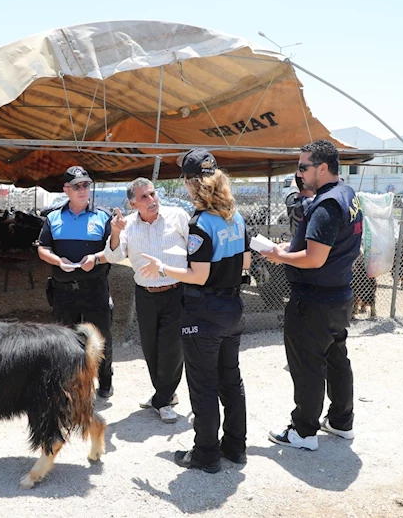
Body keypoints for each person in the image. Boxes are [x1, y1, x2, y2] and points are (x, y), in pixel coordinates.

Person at [139, 149, 251, 473]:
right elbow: (244, 263)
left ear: (191, 184)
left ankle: (205, 454)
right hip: (233, 307)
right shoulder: (236, 217)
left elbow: (198, 276)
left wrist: (163, 267)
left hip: (204, 313)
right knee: (231, 380)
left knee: (203, 385)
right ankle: (235, 447)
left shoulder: (200, 223)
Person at [261, 139, 363, 451]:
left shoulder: (326, 204)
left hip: (315, 299)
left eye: (304, 167)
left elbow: (315, 258)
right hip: (338, 294)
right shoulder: (346, 194)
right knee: (335, 359)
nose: (300, 173)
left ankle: (304, 431)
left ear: (322, 168)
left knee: (307, 365)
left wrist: (280, 256)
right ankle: (341, 421)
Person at [103, 177, 190, 423]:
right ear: (132, 204)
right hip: (145, 295)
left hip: (176, 292)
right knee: (150, 348)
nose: (152, 200)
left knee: (172, 348)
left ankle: (163, 399)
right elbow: (113, 255)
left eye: (153, 194)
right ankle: (164, 395)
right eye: (144, 197)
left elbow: (194, 252)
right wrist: (116, 232)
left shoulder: (178, 216)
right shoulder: (127, 225)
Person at [37, 166, 114, 397]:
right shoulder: (53, 217)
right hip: (63, 291)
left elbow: (114, 250)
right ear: (66, 190)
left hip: (95, 290)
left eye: (86, 185)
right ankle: (66, 382)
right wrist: (57, 261)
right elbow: (43, 248)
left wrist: (96, 258)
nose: (83, 190)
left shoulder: (103, 216)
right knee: (63, 339)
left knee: (100, 338)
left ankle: (105, 381)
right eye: (77, 186)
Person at [284, 173, 315, 238]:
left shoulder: (290, 199)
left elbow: (294, 182)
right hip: (307, 245)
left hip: (294, 242)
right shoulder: (310, 203)